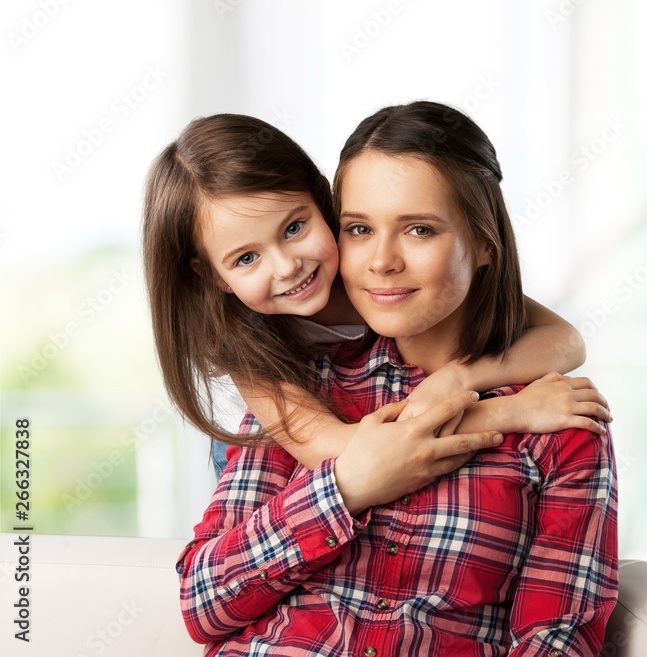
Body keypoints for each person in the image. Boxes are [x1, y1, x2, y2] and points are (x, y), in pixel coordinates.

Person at [172, 102, 618, 656]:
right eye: (359, 228)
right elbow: (205, 603)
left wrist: (457, 380)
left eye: (420, 230)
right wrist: (496, 415)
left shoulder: (559, 421)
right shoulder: (280, 373)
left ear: (484, 243)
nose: (381, 261)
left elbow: (557, 636)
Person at [141, 113, 610, 477]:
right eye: (246, 258)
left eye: (294, 228)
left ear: (322, 200)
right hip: (304, 445)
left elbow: (567, 341)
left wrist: (456, 380)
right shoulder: (241, 343)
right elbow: (334, 448)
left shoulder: (368, 268)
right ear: (214, 276)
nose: (287, 267)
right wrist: (509, 411)